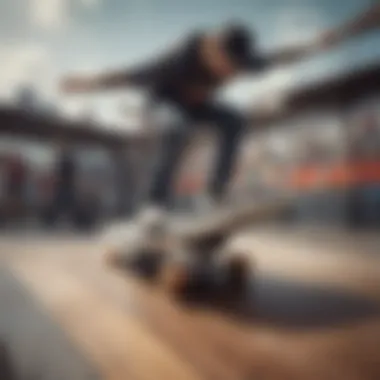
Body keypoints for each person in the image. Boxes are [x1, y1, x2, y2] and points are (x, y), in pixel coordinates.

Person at [60, 3, 380, 224]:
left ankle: (214, 193)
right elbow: (131, 74)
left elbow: (282, 58)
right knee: (175, 127)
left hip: (197, 108)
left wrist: (321, 41)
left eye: (234, 70)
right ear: (212, 48)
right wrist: (88, 83)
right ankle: (153, 206)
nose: (228, 74)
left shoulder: (242, 62)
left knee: (235, 120)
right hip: (160, 105)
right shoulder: (180, 55)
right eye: (224, 66)